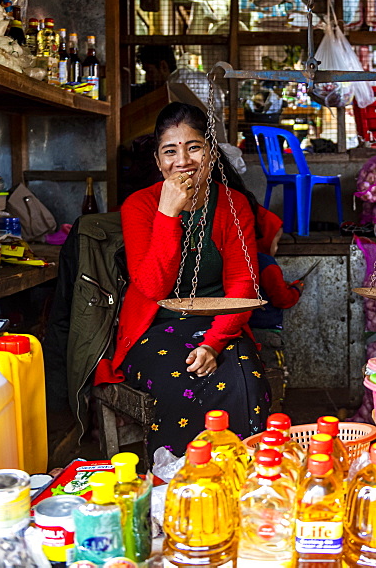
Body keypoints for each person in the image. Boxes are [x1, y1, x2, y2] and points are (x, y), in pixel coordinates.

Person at [93, 102, 271, 462]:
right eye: (170, 151)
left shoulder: (233, 205)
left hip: (221, 323)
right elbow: (153, 287)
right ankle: (176, 481)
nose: (183, 161)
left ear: (210, 152)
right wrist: (167, 213)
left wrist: (213, 345)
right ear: (159, 162)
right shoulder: (139, 206)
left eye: (194, 147)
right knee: (179, 382)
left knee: (244, 379)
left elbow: (243, 285)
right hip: (154, 328)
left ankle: (241, 477)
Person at [249, 207, 303, 371]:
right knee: (274, 372)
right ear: (265, 239)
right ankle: (275, 397)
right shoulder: (268, 265)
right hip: (266, 332)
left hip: (247, 329)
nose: (277, 248)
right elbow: (282, 299)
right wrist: (296, 289)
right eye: (276, 242)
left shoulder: (247, 259)